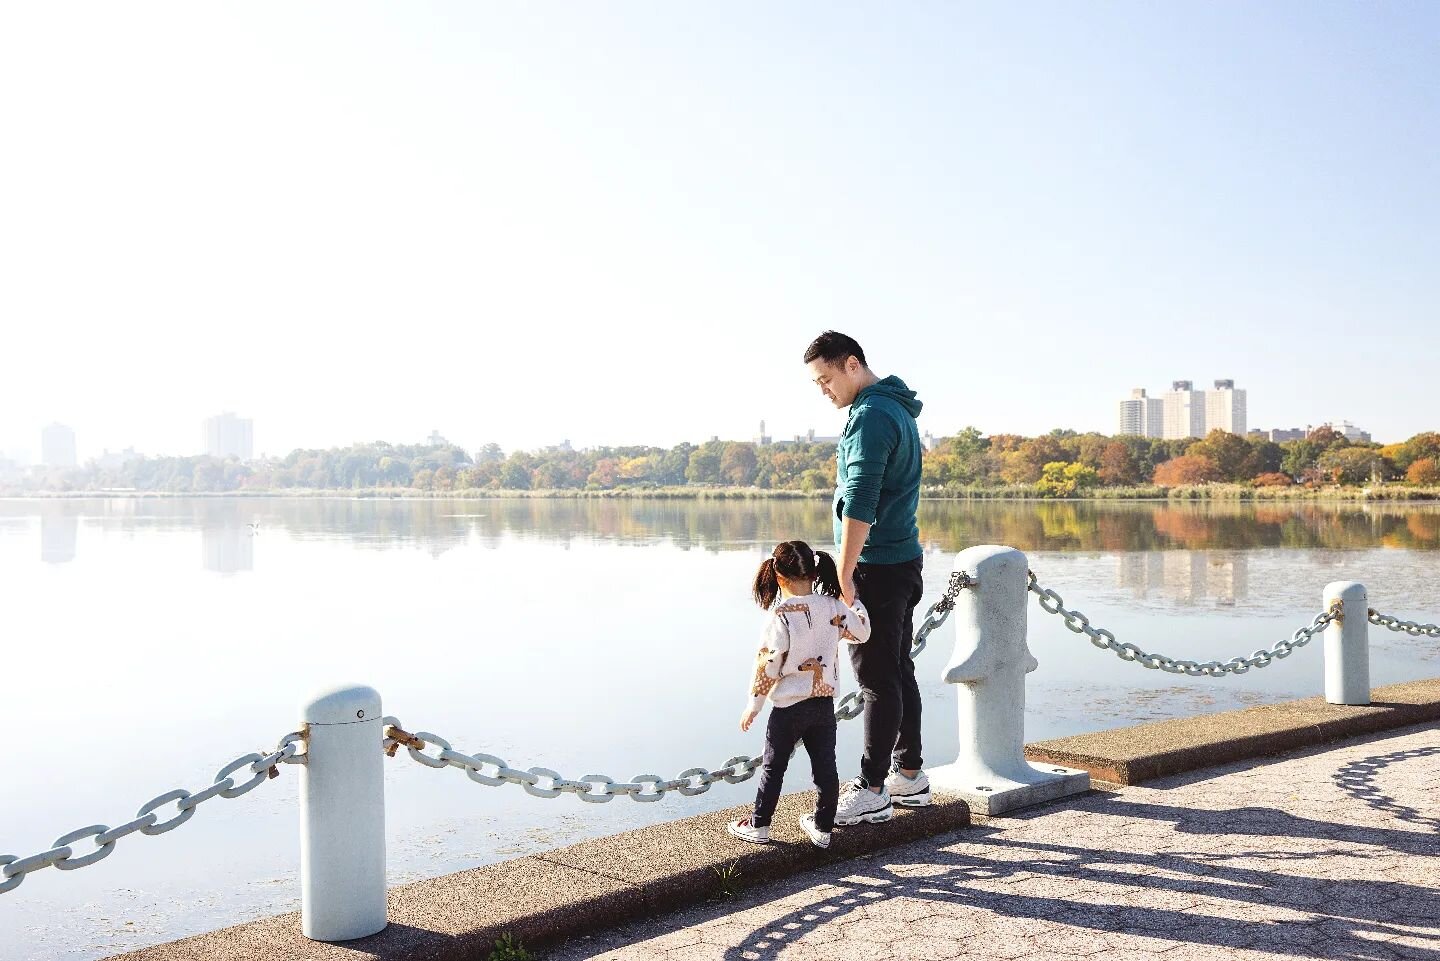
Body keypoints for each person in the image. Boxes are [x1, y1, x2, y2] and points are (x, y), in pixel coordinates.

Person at [803, 331, 928, 826]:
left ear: (852, 365)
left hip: (875, 566)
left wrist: (844, 572)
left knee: (876, 678)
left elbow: (860, 498)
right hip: (903, 560)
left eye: (826, 379)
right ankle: (910, 775)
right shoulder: (895, 408)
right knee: (897, 669)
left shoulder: (873, 415)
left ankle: (873, 788)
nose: (824, 390)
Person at [728, 540, 873, 848]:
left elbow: (769, 663)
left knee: (773, 767)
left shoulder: (781, 615)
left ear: (778, 576)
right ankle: (822, 828)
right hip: (822, 706)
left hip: (788, 709)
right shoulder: (832, 605)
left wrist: (753, 706)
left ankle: (760, 825)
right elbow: (862, 633)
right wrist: (855, 601)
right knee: (825, 768)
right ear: (815, 570)